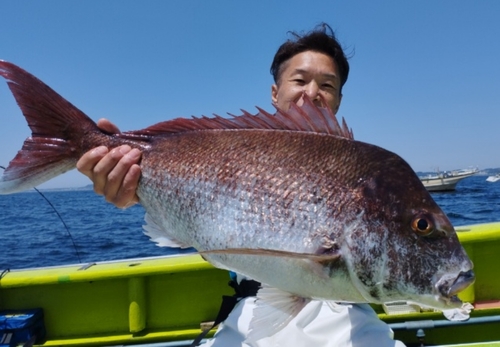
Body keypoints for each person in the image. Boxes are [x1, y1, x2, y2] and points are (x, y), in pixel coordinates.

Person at [77, 23, 405, 347]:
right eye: (300, 80)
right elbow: (203, 216)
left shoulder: (363, 173)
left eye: (327, 84)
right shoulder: (237, 152)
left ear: (338, 100)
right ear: (275, 94)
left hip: (348, 316)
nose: (312, 92)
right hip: (252, 311)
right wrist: (129, 188)